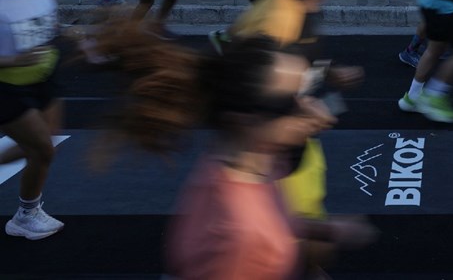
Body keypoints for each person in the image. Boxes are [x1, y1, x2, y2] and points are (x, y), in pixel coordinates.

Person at [87, 23, 370, 278]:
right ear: (244, 120)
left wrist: (328, 230)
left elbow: (274, 212)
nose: (314, 108)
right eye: (288, 103)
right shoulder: (240, 238)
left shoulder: (251, 159)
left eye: (305, 92)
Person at [226, 0, 373, 276]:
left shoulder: (303, 7)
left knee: (313, 257)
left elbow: (292, 67)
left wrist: (327, 73)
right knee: (302, 250)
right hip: (268, 173)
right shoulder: (277, 18)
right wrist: (297, 117)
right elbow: (233, 108)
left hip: (298, 159)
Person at [0, 0, 65, 240]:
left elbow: (50, 29)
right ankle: (26, 215)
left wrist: (83, 39)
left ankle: (27, 213)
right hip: (6, 87)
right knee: (42, 149)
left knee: (40, 144)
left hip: (45, 80)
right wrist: (14, 61)